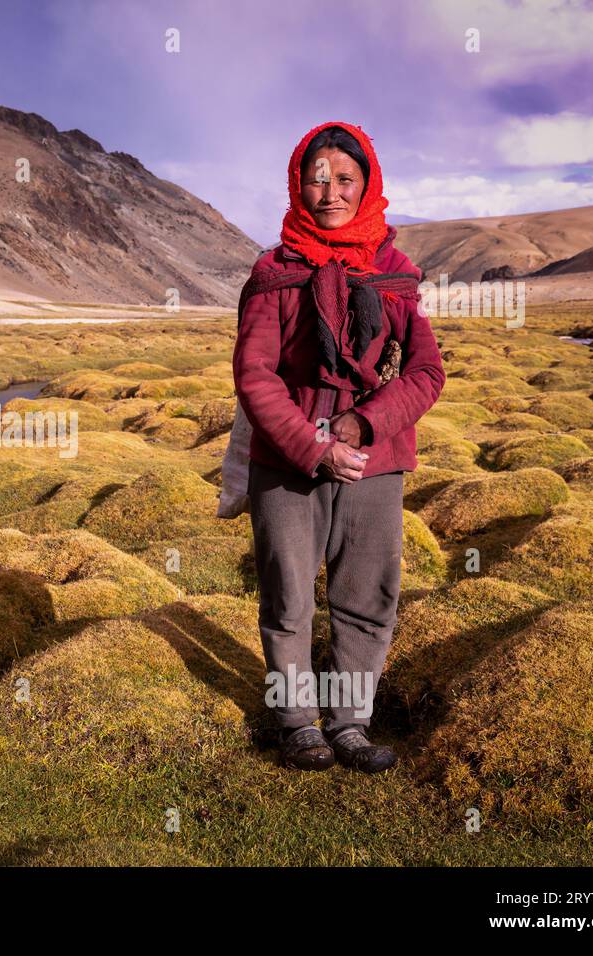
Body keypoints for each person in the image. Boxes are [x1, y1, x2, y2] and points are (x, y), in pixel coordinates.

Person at [232, 122, 446, 773]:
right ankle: (297, 723)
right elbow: (254, 374)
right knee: (287, 597)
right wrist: (313, 445)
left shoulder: (395, 274)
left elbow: (426, 371)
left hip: (376, 465)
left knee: (366, 597)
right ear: (299, 182)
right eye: (317, 177)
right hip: (286, 463)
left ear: (367, 183)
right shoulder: (276, 271)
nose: (330, 191)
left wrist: (362, 426)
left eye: (344, 178)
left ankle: (350, 725)